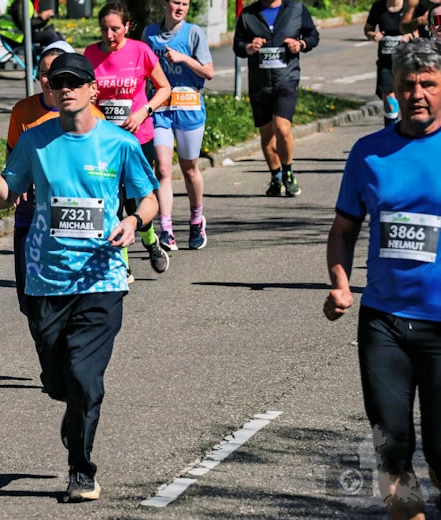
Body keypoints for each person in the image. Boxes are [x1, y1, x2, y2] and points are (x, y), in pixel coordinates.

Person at [0, 53, 159, 502]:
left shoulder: (119, 143)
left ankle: (82, 470)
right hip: (46, 279)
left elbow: (148, 199)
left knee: (84, 378)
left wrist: (134, 223)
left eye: (76, 82)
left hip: (102, 277)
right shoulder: (36, 140)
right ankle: (71, 405)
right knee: (60, 382)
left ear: (93, 89)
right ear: (51, 90)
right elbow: (6, 199)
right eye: (59, 82)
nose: (67, 89)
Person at [324, 38, 441, 520]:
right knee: (391, 449)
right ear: (393, 90)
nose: (419, 94)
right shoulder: (368, 153)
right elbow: (343, 230)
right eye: (409, 85)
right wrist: (339, 282)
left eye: (430, 85)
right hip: (384, 323)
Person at [7, 40, 105, 315]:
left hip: (74, 216)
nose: (51, 81)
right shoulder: (22, 112)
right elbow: (13, 156)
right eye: (45, 74)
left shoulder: (94, 117)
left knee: (73, 297)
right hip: (31, 213)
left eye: (59, 75)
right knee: (29, 299)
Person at [84, 2, 171, 275]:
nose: (109, 35)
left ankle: (151, 240)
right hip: (103, 139)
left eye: (115, 29)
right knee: (112, 203)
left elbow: (164, 88)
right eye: (104, 29)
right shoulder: (90, 53)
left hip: (137, 138)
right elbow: (83, 91)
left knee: (136, 202)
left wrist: (144, 112)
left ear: (127, 27)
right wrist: (91, 96)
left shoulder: (140, 51)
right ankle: (123, 264)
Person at [143, 0, 214, 250]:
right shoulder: (150, 33)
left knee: (189, 169)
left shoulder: (193, 32)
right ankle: (167, 229)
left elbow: (208, 72)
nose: (181, 7)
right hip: (160, 109)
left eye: (185, 3)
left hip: (189, 107)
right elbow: (144, 70)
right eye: (176, 2)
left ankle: (196, 219)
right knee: (162, 169)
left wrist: (183, 58)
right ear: (165, 3)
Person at [233, 0, 319, 197]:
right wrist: (249, 47)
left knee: (282, 128)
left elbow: (313, 35)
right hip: (260, 83)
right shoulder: (248, 14)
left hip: (286, 80)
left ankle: (288, 173)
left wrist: (301, 44)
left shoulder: (296, 9)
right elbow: (237, 45)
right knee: (266, 136)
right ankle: (275, 177)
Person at [364, 0, 413, 127]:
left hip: (407, 62)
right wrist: (373, 35)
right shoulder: (379, 6)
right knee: (390, 101)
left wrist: (409, 36)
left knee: (407, 100)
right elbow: (368, 29)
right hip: (386, 62)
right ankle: (390, 132)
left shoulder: (410, 5)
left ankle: (408, 130)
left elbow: (421, 28)